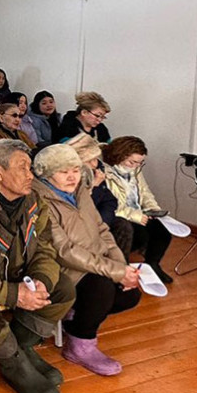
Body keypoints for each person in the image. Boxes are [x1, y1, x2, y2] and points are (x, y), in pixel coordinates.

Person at [0, 139, 75, 393]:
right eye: (23, 168)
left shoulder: (34, 201)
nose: (31, 175)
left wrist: (41, 279)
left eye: (31, 167)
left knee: (63, 288)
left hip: (19, 277)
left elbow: (44, 246)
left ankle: (23, 345)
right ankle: (12, 362)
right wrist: (12, 294)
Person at [33, 144, 141, 376]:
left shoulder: (80, 190)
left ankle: (76, 318)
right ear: (46, 173)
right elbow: (64, 250)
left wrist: (121, 266)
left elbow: (102, 229)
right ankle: (80, 346)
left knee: (130, 294)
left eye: (75, 169)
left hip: (94, 261)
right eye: (64, 171)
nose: (72, 176)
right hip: (62, 269)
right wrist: (113, 271)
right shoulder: (39, 198)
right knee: (102, 288)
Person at [102, 136, 175, 284]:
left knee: (163, 231)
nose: (135, 166)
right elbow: (110, 205)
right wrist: (135, 215)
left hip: (138, 212)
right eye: (132, 162)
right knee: (135, 233)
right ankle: (123, 270)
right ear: (119, 156)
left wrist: (153, 209)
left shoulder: (135, 171)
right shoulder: (105, 173)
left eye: (140, 162)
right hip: (120, 215)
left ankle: (153, 264)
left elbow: (145, 192)